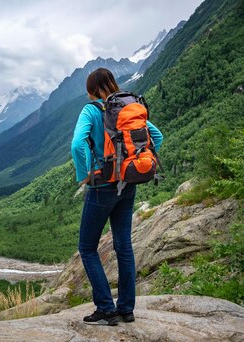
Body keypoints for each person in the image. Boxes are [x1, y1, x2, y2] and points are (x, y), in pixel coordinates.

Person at [70, 67, 163, 326]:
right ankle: (126, 309)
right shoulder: (128, 107)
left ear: (92, 90)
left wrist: (84, 175)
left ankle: (105, 308)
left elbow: (77, 144)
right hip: (128, 184)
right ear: (112, 83)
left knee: (87, 249)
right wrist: (138, 163)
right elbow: (157, 136)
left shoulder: (91, 110)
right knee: (124, 246)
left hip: (101, 188)